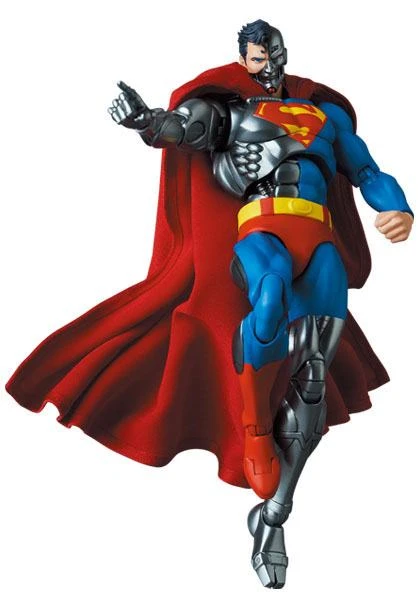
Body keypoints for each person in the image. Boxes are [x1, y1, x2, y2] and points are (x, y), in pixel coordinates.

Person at [7, 19, 413, 589]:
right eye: (257, 58)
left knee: (315, 374)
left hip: (318, 237)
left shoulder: (324, 116)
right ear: (243, 60)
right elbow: (182, 128)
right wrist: (146, 121)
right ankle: (254, 427)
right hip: (262, 232)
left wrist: (397, 208)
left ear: (285, 53)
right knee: (267, 298)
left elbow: (367, 169)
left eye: (274, 55)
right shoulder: (234, 113)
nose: (267, 66)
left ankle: (274, 514)